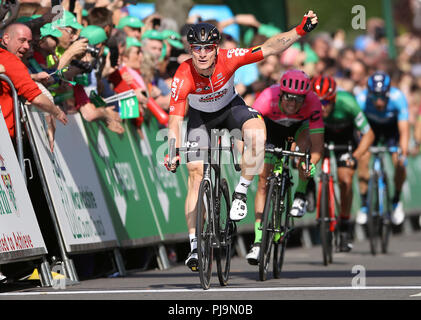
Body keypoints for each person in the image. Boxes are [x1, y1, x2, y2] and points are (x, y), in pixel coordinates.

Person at [164, 11, 319, 271]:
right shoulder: (183, 75)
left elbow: (270, 47)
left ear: (217, 49)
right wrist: (171, 152)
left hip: (230, 109)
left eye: (208, 48)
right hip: (201, 118)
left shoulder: (230, 58)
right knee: (194, 174)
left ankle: (240, 192)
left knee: (258, 133)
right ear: (190, 50)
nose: (202, 54)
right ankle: (194, 246)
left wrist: (300, 31)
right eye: (196, 49)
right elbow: (174, 120)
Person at [245, 69, 324, 264]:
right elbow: (250, 128)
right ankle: (257, 241)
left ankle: (300, 193)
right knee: (264, 181)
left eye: (299, 99)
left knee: (303, 154)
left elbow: (318, 145)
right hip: (272, 128)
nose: (293, 103)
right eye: (289, 97)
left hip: (300, 130)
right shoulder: (266, 97)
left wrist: (310, 164)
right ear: (281, 94)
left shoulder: (313, 103)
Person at [311, 75, 375, 252]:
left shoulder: (348, 102)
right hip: (321, 135)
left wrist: (355, 156)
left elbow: (368, 135)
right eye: (318, 103)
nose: (321, 107)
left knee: (345, 180)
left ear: (333, 99)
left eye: (325, 103)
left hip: (345, 138)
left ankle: (345, 225)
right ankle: (307, 188)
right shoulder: (309, 105)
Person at [0, 23, 67, 149]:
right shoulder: (10, 60)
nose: (26, 46)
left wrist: (33, 77)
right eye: (22, 40)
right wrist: (57, 112)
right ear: (6, 39)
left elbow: (9, 76)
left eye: (29, 42)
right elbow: (36, 98)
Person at [356, 71, 410, 226]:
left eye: (382, 97)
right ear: (369, 94)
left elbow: (404, 131)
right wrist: (361, 149)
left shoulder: (398, 98)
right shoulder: (361, 98)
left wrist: (403, 153)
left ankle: (396, 200)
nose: (379, 102)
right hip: (370, 129)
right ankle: (365, 204)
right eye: (374, 97)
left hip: (391, 129)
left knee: (400, 163)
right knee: (363, 159)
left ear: (388, 93)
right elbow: (358, 129)